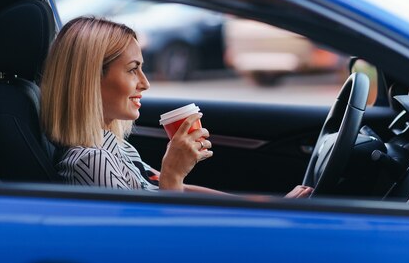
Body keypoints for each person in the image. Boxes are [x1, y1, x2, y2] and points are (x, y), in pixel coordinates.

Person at [41, 16, 311, 197]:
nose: (145, 83)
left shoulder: (114, 147)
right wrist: (172, 173)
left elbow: (173, 189)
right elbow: (145, 247)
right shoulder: (92, 162)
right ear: (90, 79)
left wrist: (270, 209)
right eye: (133, 70)